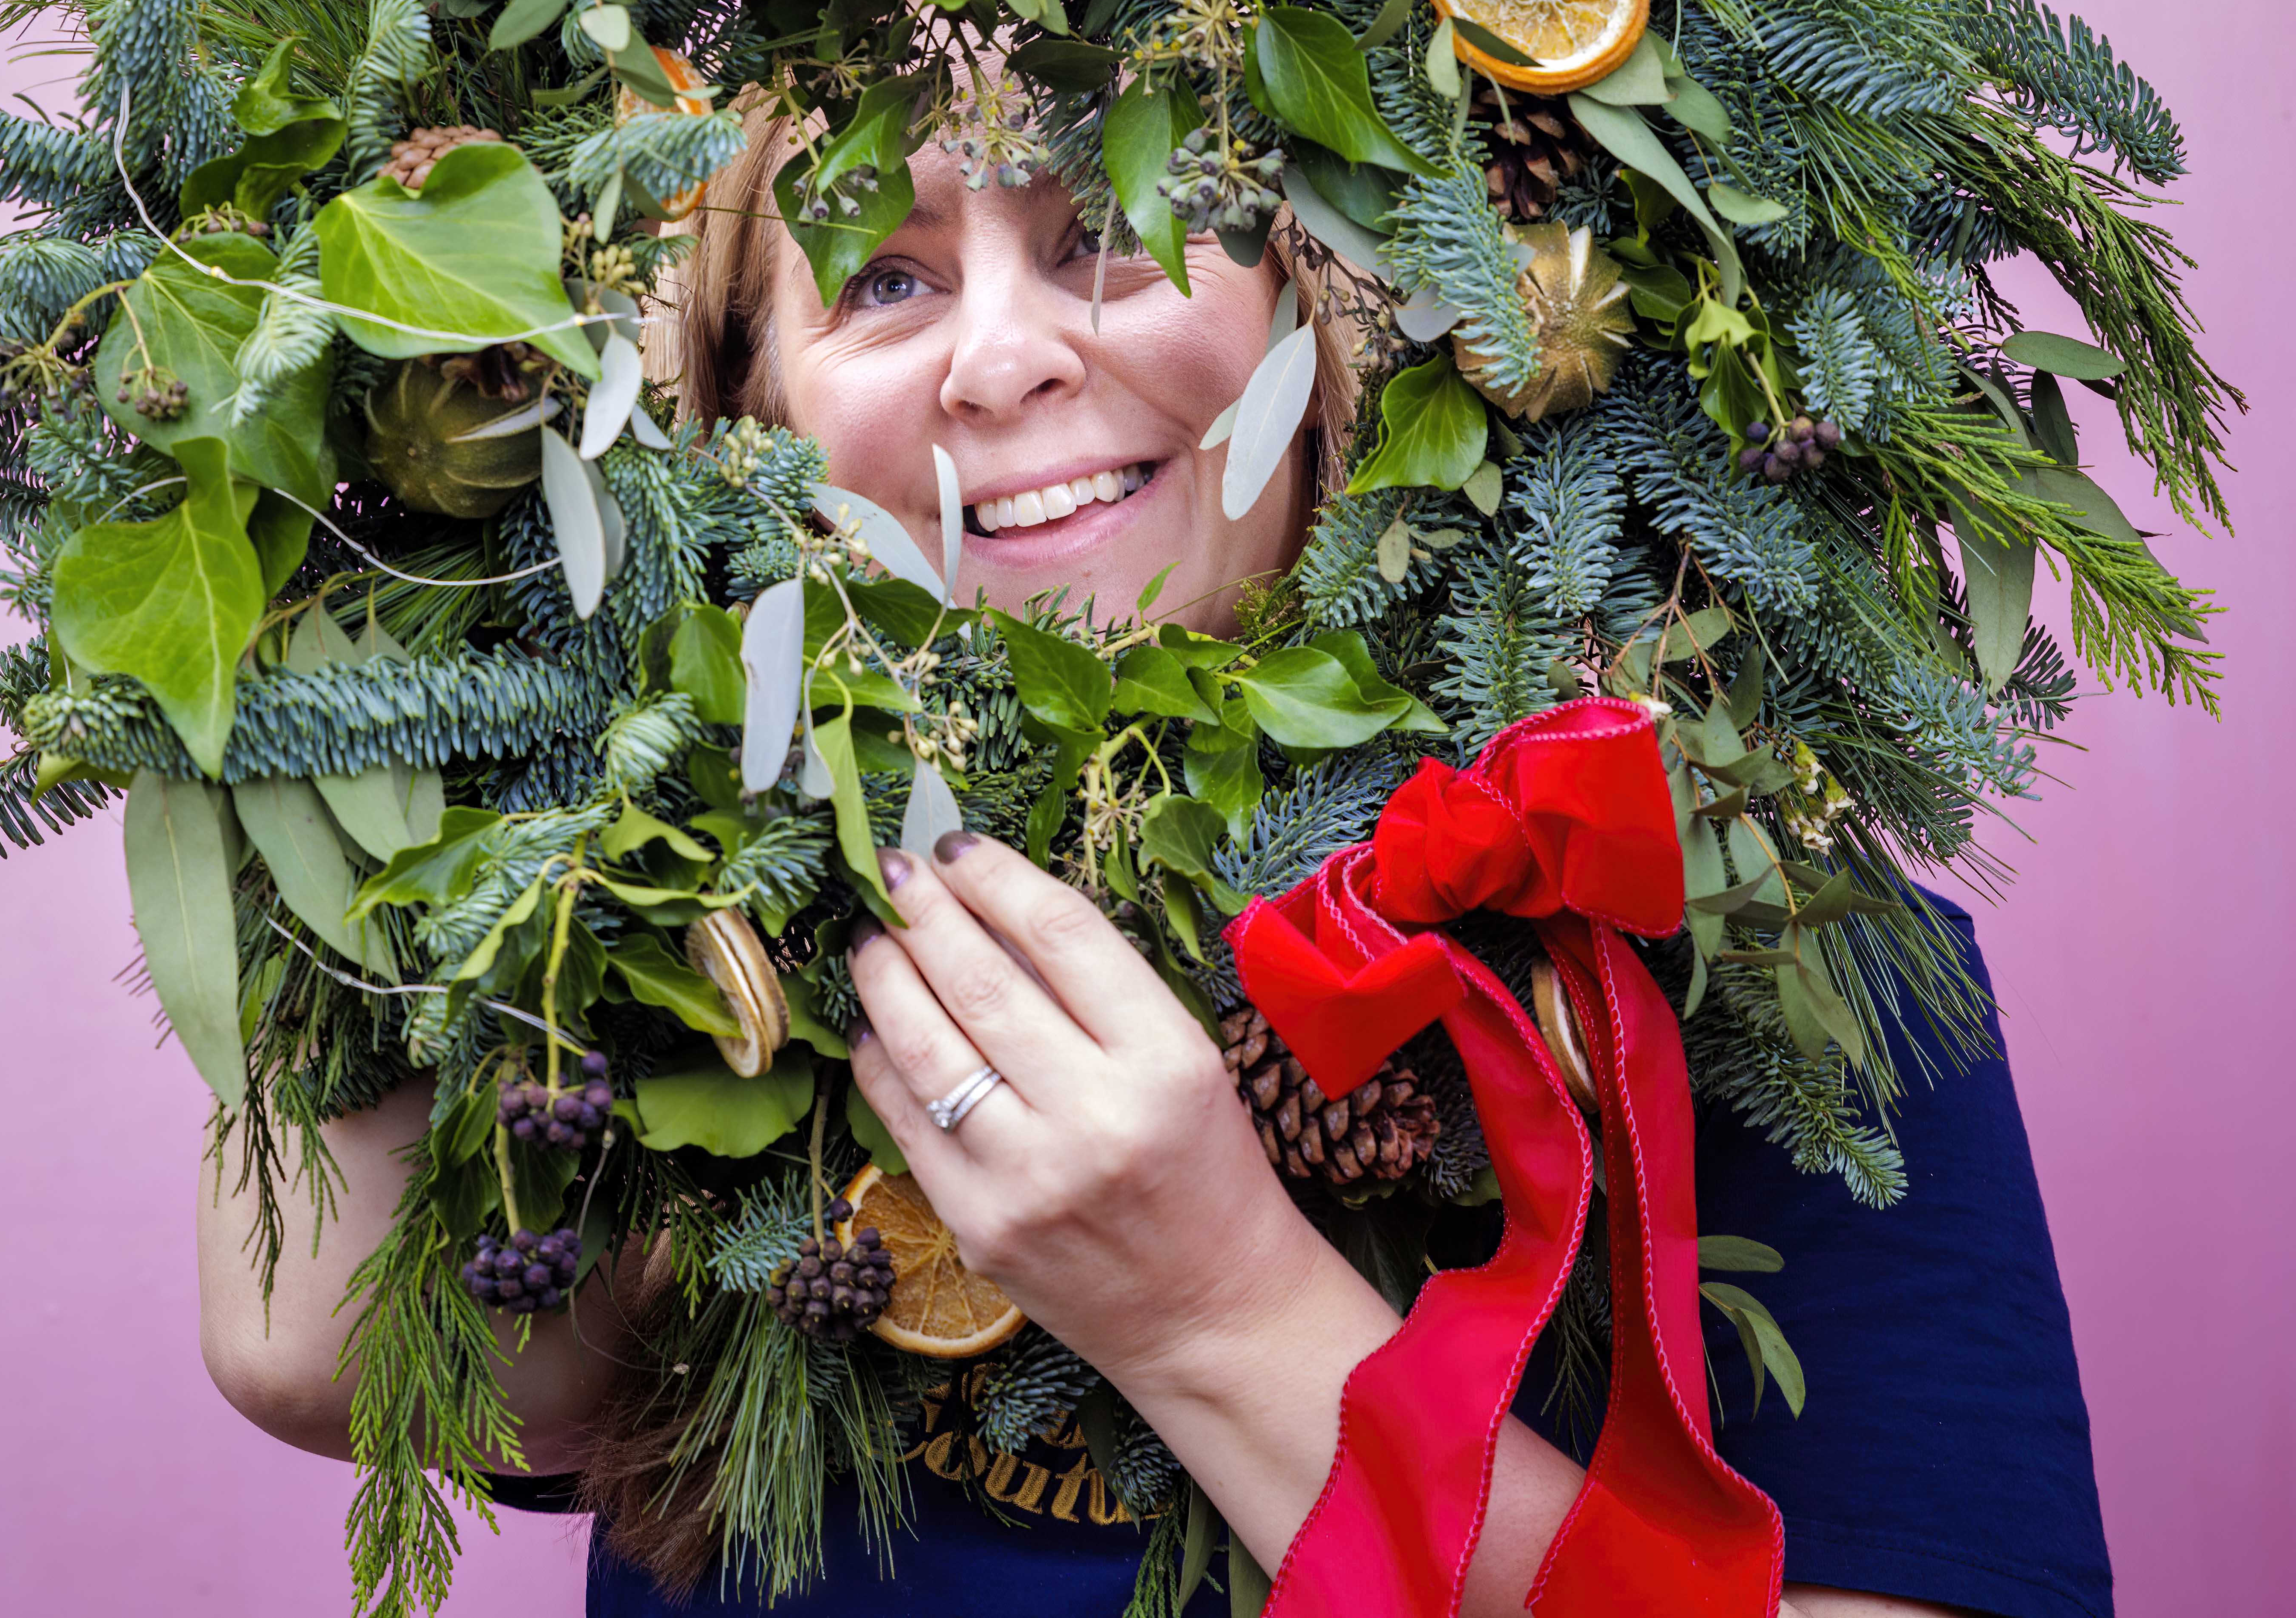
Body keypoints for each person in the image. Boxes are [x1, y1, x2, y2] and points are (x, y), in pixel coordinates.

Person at [200, 106, 2116, 1618]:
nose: (1001, 362)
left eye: (1106, 226)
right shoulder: (679, 947)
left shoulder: (1721, 942)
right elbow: (324, 1348)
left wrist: (1213, 1305)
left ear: (1321, 302)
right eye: (878, 277)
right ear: (736, 414)